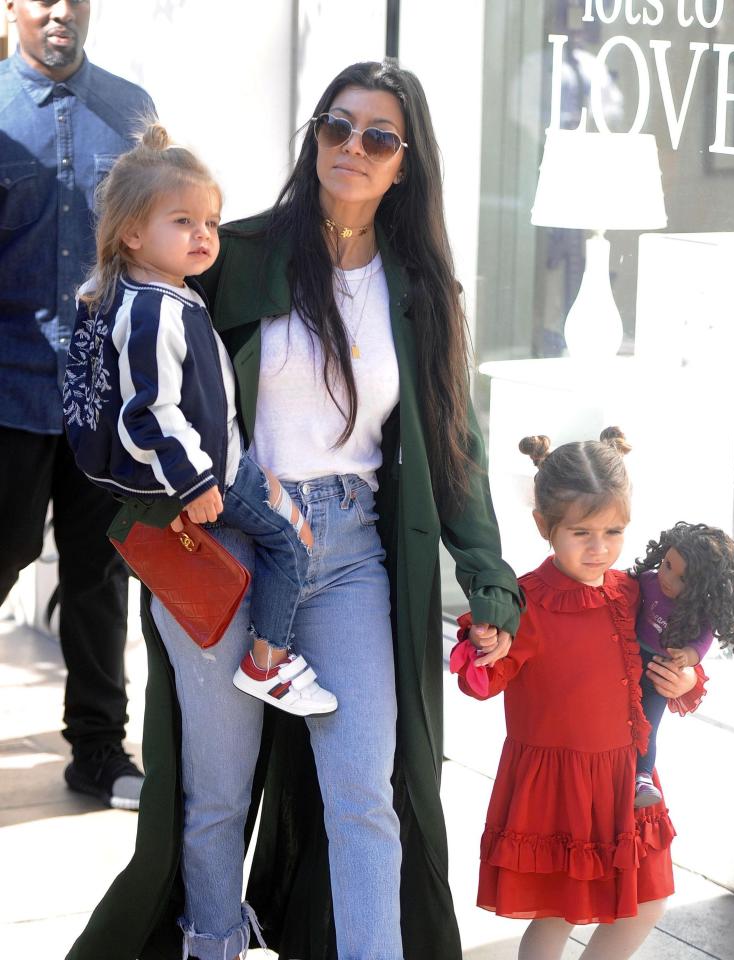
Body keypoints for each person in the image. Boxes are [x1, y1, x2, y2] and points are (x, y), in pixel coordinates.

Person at [65, 59, 523, 960]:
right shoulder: (232, 253)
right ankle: (211, 948)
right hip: (225, 545)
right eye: (335, 126)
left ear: (406, 163)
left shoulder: (422, 292)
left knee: (367, 791)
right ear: (315, 137)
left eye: (378, 137)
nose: (352, 147)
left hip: (349, 551)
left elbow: (454, 445)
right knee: (216, 795)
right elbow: (125, 353)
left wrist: (489, 582)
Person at [63, 123, 337, 717]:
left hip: (218, 461)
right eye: (183, 221)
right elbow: (149, 411)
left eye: (210, 222)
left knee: (283, 518)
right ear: (132, 233)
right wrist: (196, 484)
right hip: (200, 473)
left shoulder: (150, 290)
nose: (204, 235)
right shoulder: (154, 311)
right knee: (293, 541)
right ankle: (269, 664)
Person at [450, 429, 704, 960]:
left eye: (614, 531)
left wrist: (685, 678)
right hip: (558, 790)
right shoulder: (527, 603)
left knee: (648, 903)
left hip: (626, 780)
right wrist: (486, 642)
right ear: (545, 526)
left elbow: (673, 653)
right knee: (557, 915)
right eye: (582, 532)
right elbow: (483, 679)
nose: (600, 548)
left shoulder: (632, 592)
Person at [0, 0, 154, 808]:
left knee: (101, 576)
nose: (60, 11)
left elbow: (161, 243)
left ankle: (98, 749)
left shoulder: (132, 113)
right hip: (8, 391)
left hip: (106, 397)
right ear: (14, 8)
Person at [632, 521, 734, 807]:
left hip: (659, 674)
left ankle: (642, 777)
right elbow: (626, 586)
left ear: (701, 587)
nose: (668, 578)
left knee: (647, 726)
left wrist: (687, 658)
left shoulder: (699, 612)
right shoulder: (649, 582)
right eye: (667, 565)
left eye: (682, 579)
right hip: (629, 661)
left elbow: (700, 645)